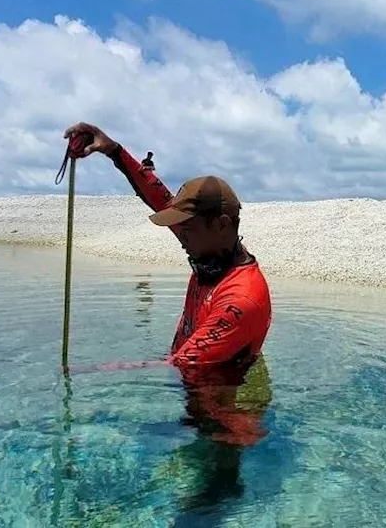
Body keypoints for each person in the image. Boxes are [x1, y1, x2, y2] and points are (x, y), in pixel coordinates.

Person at [61, 122, 273, 382]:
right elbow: (159, 199)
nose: (178, 235)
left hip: (223, 413)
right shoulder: (212, 248)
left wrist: (88, 373)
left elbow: (177, 366)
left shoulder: (241, 298)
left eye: (186, 228)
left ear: (221, 225)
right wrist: (113, 150)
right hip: (196, 384)